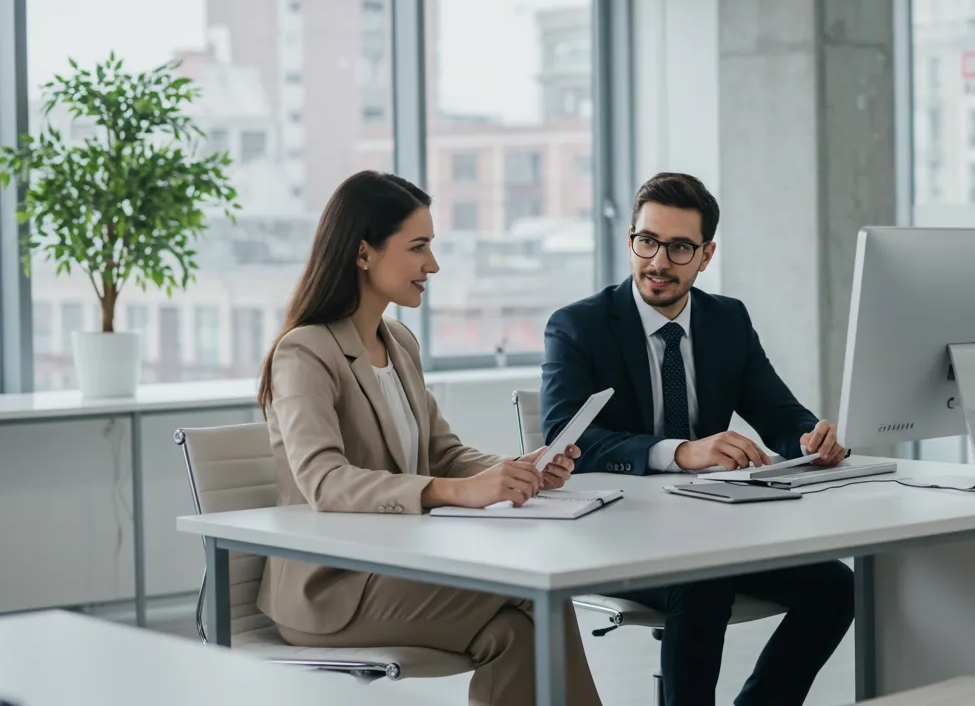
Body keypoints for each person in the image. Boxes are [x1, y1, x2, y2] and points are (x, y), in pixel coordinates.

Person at [255, 170, 602, 706]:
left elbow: (444, 453)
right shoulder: (305, 351)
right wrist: (454, 491)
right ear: (364, 253)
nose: (433, 265)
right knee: (541, 594)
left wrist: (517, 469)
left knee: (515, 635)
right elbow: (325, 481)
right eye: (418, 247)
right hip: (333, 591)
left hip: (400, 572)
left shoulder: (398, 342)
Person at [539, 172, 854, 706]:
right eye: (648, 241)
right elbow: (567, 440)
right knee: (701, 584)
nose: (659, 261)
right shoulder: (578, 327)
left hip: (713, 533)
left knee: (836, 588)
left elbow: (776, 410)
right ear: (631, 240)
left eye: (680, 247)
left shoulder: (726, 320)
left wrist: (810, 439)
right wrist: (683, 452)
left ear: (706, 256)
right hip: (615, 538)